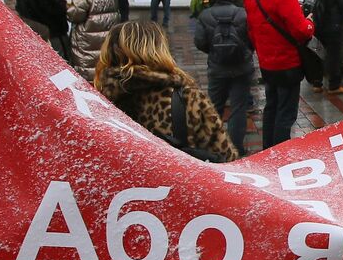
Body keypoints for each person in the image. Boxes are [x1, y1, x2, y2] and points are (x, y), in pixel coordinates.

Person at [94, 21, 237, 162]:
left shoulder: (96, 98)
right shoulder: (187, 97)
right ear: (158, 50)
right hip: (174, 183)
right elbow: (225, 158)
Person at [245, 0, 315, 148]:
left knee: (271, 107)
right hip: (288, 63)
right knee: (286, 112)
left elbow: (252, 30)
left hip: (267, 62)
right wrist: (310, 22)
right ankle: (281, 152)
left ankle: (268, 149)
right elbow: (301, 31)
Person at [194, 0, 254, 155]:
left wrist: (214, 52)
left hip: (217, 68)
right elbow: (252, 38)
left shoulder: (205, 15)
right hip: (242, 67)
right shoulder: (243, 13)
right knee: (239, 108)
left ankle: (214, 147)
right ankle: (236, 148)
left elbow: (199, 41)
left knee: (214, 107)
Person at [67, 0, 121, 73]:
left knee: (87, 72)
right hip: (107, 39)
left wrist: (68, 9)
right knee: (103, 68)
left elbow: (76, 15)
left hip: (86, 41)